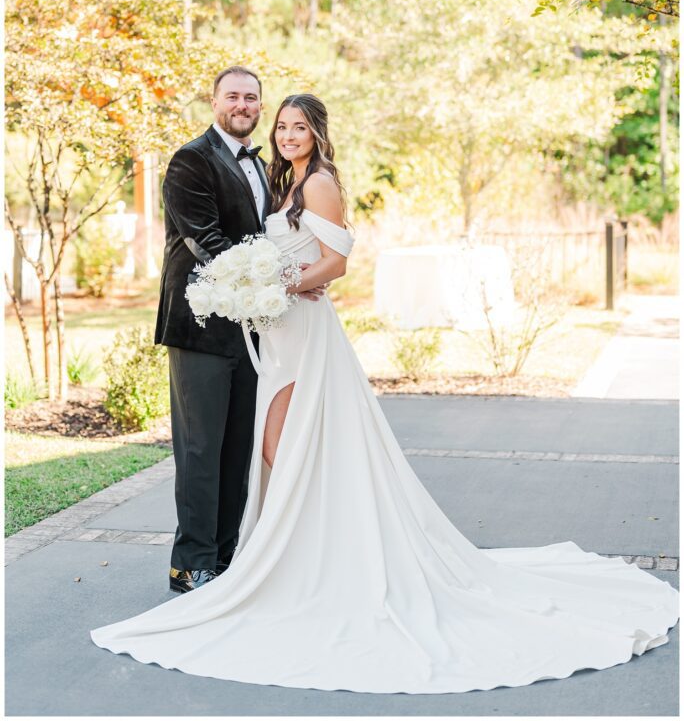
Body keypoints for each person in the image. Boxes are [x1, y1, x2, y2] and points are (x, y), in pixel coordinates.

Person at [93, 93, 678, 694]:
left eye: (299, 126)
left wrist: (284, 284)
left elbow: (338, 260)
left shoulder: (318, 182)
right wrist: (265, 285)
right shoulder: (281, 180)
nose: (289, 135)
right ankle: (289, 555)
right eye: (283, 127)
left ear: (318, 133)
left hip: (301, 328)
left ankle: (308, 561)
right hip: (279, 330)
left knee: (285, 447)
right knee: (278, 449)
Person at [155, 65, 272, 594]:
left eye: (251, 98)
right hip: (200, 326)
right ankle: (191, 565)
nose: (242, 105)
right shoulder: (190, 160)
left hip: (251, 330)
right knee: (201, 449)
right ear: (214, 101)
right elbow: (206, 241)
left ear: (260, 107)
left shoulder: (264, 166)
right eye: (233, 96)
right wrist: (281, 279)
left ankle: (225, 558)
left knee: (237, 449)